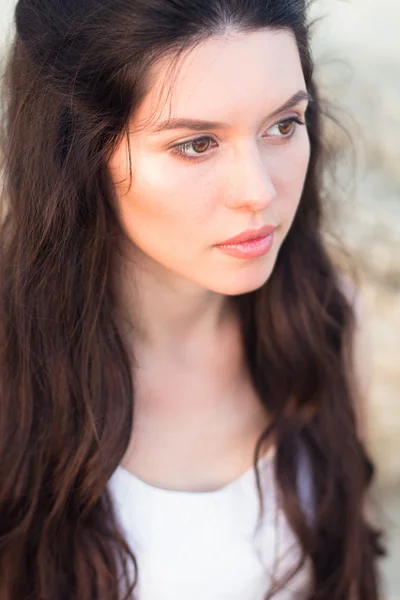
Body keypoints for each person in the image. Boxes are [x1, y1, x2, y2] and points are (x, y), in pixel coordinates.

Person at [0, 0, 386, 598]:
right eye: (197, 143)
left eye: (283, 125)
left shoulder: (326, 320)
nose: (258, 191)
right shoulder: (13, 379)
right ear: (78, 156)